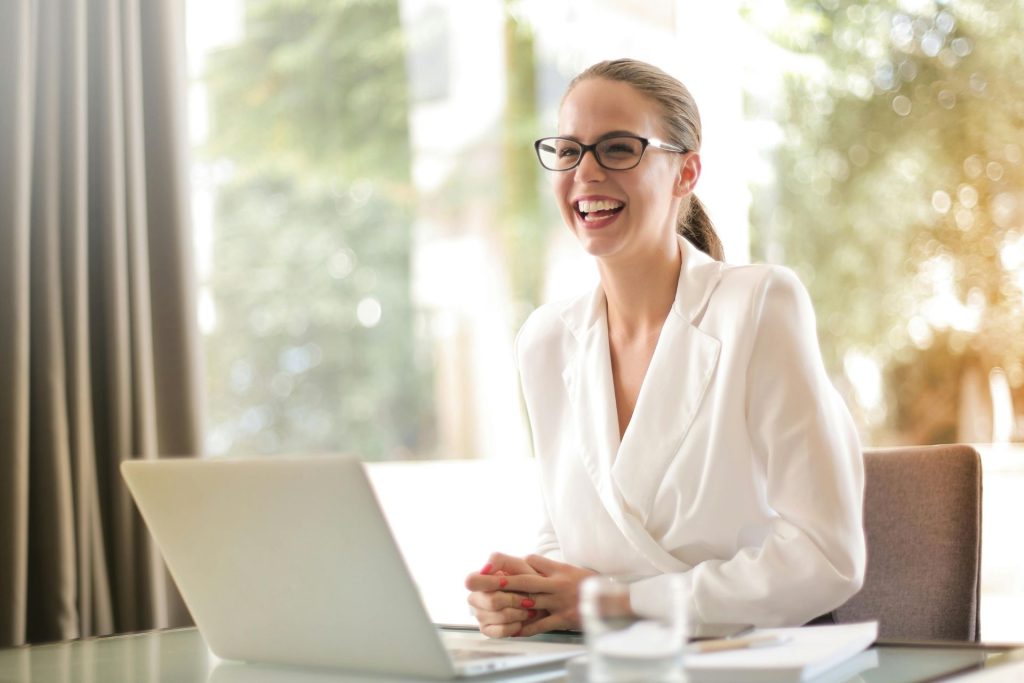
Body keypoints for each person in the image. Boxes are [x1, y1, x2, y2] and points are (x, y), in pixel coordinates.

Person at [464, 58, 866, 638]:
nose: (586, 172)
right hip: (612, 664)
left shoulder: (758, 306)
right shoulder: (545, 342)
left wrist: (619, 602)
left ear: (686, 172)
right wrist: (526, 594)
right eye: (569, 150)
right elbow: (566, 530)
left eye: (619, 148)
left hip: (745, 659)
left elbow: (827, 557)